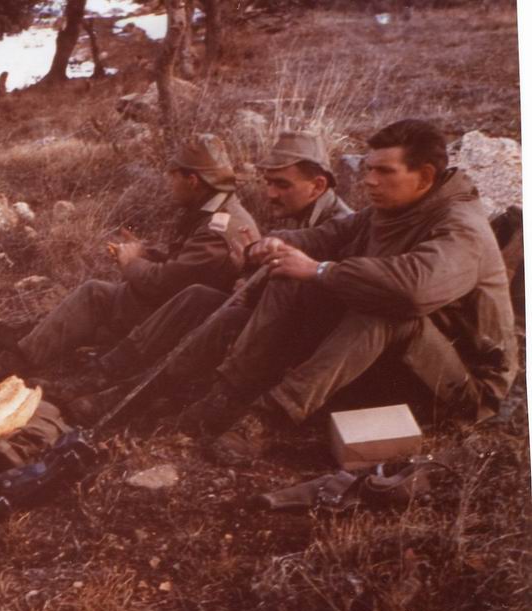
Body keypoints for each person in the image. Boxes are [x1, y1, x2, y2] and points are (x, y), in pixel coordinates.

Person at [186, 119, 519, 466]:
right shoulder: (391, 210)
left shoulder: (461, 226)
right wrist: (275, 245)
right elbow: (327, 236)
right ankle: (230, 394)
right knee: (289, 271)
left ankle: (270, 418)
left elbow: (413, 291)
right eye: (369, 169)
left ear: (424, 176)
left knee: (386, 309)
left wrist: (318, 270)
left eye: (384, 171)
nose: (370, 180)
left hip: (464, 386)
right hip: (402, 361)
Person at [68, 131, 355, 420]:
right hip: (284, 325)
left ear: (318, 186)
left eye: (281, 184)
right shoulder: (306, 215)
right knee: (198, 297)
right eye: (268, 183)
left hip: (309, 349)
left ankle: (134, 396)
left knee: (225, 318)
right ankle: (106, 375)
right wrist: (247, 269)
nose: (270, 194)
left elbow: (322, 306)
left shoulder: (344, 228)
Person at [0, 133, 260, 375]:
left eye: (173, 178)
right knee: (97, 296)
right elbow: (187, 268)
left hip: (180, 323)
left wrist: (132, 263)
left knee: (95, 295)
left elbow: (167, 285)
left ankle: (15, 360)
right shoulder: (215, 212)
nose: (170, 186)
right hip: (179, 312)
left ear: (193, 180)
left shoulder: (217, 226)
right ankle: (29, 339)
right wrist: (147, 253)